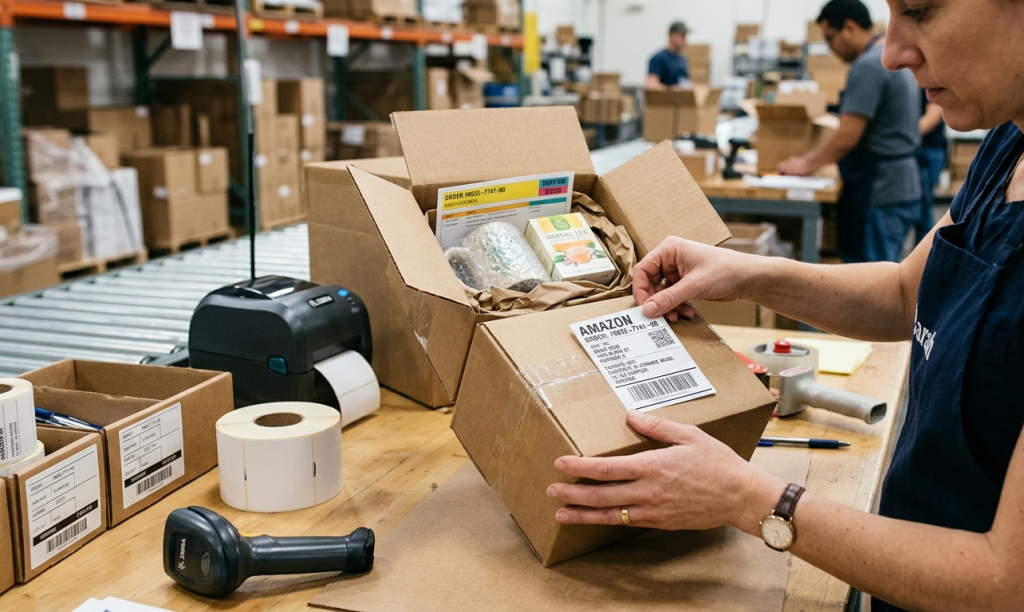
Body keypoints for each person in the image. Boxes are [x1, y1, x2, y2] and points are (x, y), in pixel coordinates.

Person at [547, 0, 1024, 609]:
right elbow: (908, 292)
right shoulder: (1006, 148)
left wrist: (754, 500)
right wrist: (745, 274)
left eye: (921, 11)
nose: (892, 51)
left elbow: (1005, 582)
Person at [777, 0, 921, 263]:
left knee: (872, 284)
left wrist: (806, 164)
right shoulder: (887, 58)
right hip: (900, 186)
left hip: (879, 189)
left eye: (830, 39)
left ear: (849, 28)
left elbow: (847, 136)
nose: (831, 49)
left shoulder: (868, 66)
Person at [916, 91, 946, 240]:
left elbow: (933, 116)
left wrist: (904, 138)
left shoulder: (929, 80)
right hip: (919, 149)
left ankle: (926, 255)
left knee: (923, 205)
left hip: (930, 150)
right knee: (920, 205)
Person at [645, 22, 690, 90]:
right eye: (681, 36)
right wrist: (671, 90)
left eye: (685, 37)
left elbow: (685, 81)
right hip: (665, 99)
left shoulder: (683, 60)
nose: (684, 40)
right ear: (671, 35)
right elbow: (651, 85)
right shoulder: (659, 58)